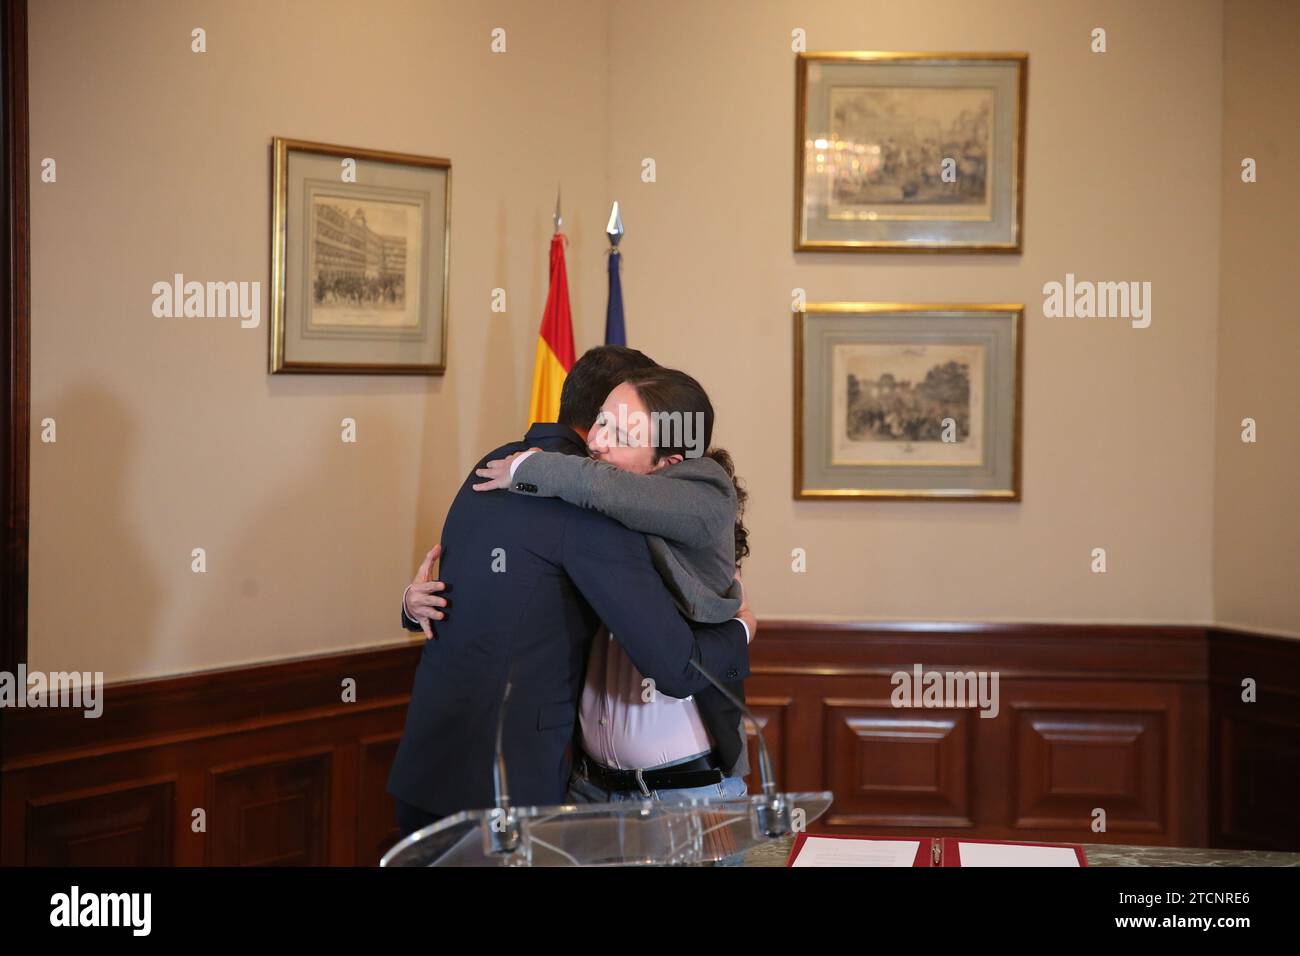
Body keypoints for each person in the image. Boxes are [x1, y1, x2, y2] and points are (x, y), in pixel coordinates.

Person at [387, 346, 756, 838]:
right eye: (609, 422)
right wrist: (742, 630)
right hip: (513, 785)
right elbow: (673, 664)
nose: (605, 441)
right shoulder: (580, 498)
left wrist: (411, 606)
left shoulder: (493, 465)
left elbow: (485, 594)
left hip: (428, 764)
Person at [469, 366, 753, 810]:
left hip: (688, 797)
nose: (596, 441)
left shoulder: (704, 493)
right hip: (589, 790)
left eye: (621, 434)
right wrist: (417, 598)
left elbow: (607, 487)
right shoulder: (595, 507)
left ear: (669, 465)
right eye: (601, 420)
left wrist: (527, 465)